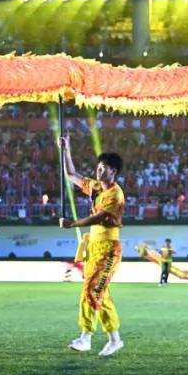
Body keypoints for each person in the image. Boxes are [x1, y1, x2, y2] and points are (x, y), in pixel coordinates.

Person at [59, 135, 126, 357]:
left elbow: (99, 217)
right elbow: (71, 175)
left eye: (103, 168)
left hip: (109, 249)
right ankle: (115, 339)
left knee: (91, 289)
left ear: (113, 171)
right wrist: (66, 149)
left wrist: (73, 224)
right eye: (98, 167)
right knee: (101, 293)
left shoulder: (115, 194)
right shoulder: (96, 187)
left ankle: (86, 336)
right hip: (94, 248)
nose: (98, 170)